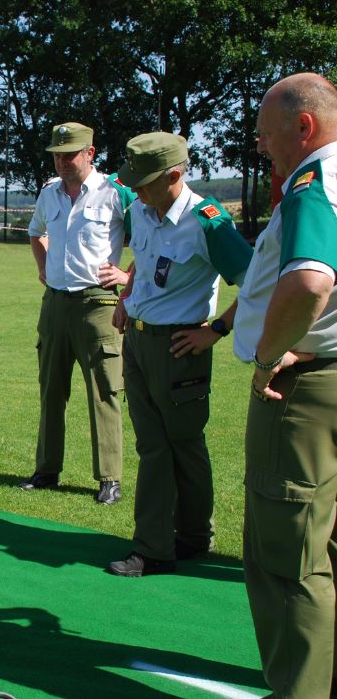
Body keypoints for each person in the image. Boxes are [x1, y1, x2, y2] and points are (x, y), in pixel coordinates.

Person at [232, 72, 337, 697]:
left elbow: (308, 281)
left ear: (304, 127)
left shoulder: (312, 185)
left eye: (269, 135)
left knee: (288, 558)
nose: (263, 147)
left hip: (305, 389)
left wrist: (269, 354)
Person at [106, 132, 252, 577]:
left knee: (180, 445)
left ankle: (162, 545)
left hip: (179, 346)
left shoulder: (208, 221)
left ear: (175, 175)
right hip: (139, 341)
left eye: (145, 181)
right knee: (157, 445)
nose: (136, 189)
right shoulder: (142, 209)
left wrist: (217, 330)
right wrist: (126, 297)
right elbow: (144, 263)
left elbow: (256, 283)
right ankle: (181, 538)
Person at [18, 122, 134, 505]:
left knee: (104, 391)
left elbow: (151, 236)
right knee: (51, 390)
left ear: (91, 153)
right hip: (54, 304)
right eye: (57, 154)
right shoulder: (49, 193)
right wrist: (43, 266)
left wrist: (128, 276)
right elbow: (36, 231)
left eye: (70, 154)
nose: (63, 161)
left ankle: (109, 478)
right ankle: (47, 471)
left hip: (97, 304)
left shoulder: (115, 192)